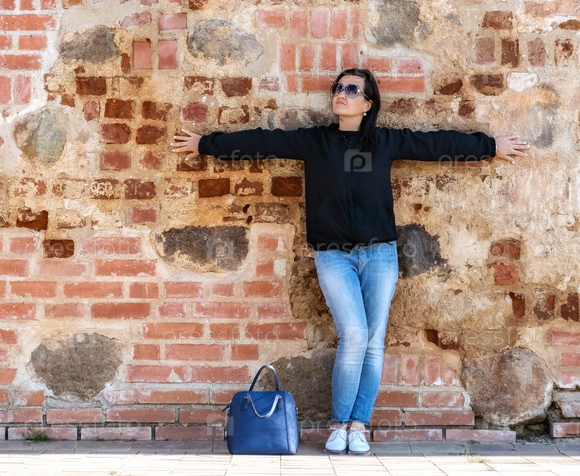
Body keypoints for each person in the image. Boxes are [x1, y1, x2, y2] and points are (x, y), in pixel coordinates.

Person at [171, 68, 529, 455]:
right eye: (338, 88)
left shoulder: (385, 142)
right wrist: (204, 144)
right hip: (333, 256)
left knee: (373, 343)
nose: (341, 93)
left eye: (351, 90)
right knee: (355, 335)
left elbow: (436, 143)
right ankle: (338, 423)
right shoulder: (315, 142)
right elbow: (262, 141)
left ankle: (359, 425)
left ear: (368, 103)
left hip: (380, 255)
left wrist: (490, 146)